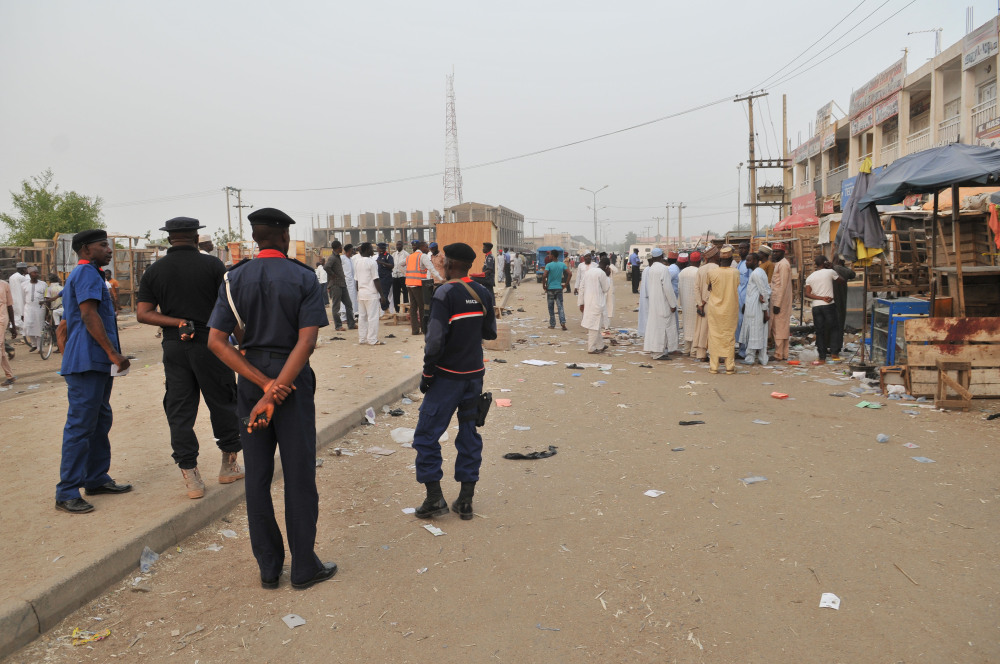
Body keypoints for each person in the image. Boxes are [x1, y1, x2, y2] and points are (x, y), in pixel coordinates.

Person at [206, 207, 337, 590]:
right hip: (292, 381)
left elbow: (216, 341)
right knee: (299, 475)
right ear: (283, 238)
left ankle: (268, 567)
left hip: (250, 381)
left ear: (255, 238)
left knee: (257, 477)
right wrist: (278, 386)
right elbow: (307, 340)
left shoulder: (233, 278)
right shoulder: (303, 277)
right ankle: (303, 568)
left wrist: (263, 386)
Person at [137, 216, 244, 500]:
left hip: (175, 346)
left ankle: (191, 476)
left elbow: (143, 314)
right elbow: (229, 310)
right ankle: (228, 465)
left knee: (180, 409)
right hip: (212, 343)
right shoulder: (212, 266)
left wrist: (176, 321)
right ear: (196, 238)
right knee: (223, 401)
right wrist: (245, 347)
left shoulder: (154, 271)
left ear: (169, 239)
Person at [412, 242, 497, 521]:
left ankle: (434, 498)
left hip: (448, 377)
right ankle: (465, 500)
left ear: (449, 264)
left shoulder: (444, 293)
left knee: (426, 436)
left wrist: (427, 373)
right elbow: (490, 333)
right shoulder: (483, 292)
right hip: (474, 376)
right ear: (469, 265)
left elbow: (434, 341)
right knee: (469, 434)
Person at [56, 229, 132, 514]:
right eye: (104, 245)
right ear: (86, 249)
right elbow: (88, 315)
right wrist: (113, 353)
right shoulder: (87, 273)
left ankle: (96, 478)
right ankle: (66, 492)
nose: (109, 250)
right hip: (88, 361)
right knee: (81, 426)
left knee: (100, 420)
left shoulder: (89, 274)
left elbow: (65, 324)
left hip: (94, 361)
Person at [705, 245, 741, 374]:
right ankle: (729, 366)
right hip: (730, 308)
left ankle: (714, 366)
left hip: (715, 308)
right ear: (731, 258)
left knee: (714, 335)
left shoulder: (712, 272)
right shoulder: (735, 272)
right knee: (729, 335)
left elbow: (709, 286)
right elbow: (737, 284)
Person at [805, 255, 844, 364]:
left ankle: (822, 357)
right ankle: (834, 353)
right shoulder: (830, 272)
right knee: (834, 328)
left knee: (820, 331)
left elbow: (807, 293)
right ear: (825, 262)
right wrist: (833, 267)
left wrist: (820, 297)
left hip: (816, 306)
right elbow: (842, 281)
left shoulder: (810, 277)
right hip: (829, 305)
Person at [642, 249, 678, 361]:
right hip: (663, 303)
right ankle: (658, 353)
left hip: (654, 302)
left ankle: (655, 351)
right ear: (662, 256)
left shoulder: (651, 268)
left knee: (655, 327)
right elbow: (667, 288)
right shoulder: (663, 269)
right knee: (662, 328)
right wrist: (673, 304)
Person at [740, 252, 771, 366]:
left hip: (756, 308)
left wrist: (765, 311)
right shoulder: (758, 272)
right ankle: (762, 358)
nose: (747, 262)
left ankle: (750, 358)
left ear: (755, 261)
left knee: (754, 332)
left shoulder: (756, 273)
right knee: (757, 332)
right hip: (752, 306)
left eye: (749, 260)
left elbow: (764, 293)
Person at [354, 242, 386, 345]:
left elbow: (356, 281)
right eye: (372, 249)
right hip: (371, 294)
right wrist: (382, 295)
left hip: (361, 293)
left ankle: (362, 339)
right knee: (372, 317)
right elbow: (376, 280)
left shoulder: (357, 262)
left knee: (362, 317)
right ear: (367, 250)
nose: (373, 251)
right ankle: (372, 339)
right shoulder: (372, 262)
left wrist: (359, 293)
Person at [692, 247, 720, 361]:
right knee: (713, 330)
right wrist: (704, 301)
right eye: (718, 254)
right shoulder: (718, 269)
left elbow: (696, 288)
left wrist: (699, 303)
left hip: (702, 305)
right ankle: (714, 354)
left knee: (702, 329)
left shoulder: (701, 269)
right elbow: (713, 288)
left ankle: (701, 355)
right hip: (713, 303)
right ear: (714, 256)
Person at [579, 256, 611, 353]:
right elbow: (606, 288)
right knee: (594, 326)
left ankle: (600, 345)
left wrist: (581, 302)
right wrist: (608, 276)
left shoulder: (589, 271)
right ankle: (591, 348)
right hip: (597, 302)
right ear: (607, 266)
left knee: (596, 324)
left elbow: (582, 286)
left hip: (589, 301)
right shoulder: (602, 273)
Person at [324, 240, 354, 331]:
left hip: (342, 284)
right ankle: (338, 326)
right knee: (336, 307)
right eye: (341, 246)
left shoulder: (338, 257)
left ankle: (351, 324)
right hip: (335, 285)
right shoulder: (332, 258)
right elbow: (326, 267)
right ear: (338, 247)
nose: (342, 248)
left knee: (349, 304)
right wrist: (332, 274)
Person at [770, 243, 793, 361]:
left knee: (779, 327)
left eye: (777, 252)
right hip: (778, 297)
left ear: (783, 253)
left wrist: (777, 304)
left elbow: (783, 285)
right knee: (781, 327)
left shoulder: (783, 265)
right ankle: (783, 354)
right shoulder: (779, 264)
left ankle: (779, 354)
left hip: (781, 300)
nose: (774, 254)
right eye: (773, 251)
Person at [831, 256, 856, 359]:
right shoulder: (839, 269)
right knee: (839, 325)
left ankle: (828, 347)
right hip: (839, 301)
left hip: (828, 301)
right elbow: (852, 274)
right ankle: (835, 349)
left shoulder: (828, 270)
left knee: (829, 325)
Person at [677, 252, 700, 355]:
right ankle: (693, 351)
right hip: (695, 303)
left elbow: (679, 288)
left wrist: (680, 303)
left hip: (685, 303)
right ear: (699, 261)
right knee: (695, 327)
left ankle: (686, 349)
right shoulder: (699, 272)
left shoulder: (682, 272)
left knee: (687, 325)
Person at [406, 240, 430, 335]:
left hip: (409, 284)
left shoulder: (409, 256)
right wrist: (440, 278)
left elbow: (400, 264)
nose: (427, 248)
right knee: (422, 307)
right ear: (422, 247)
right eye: (426, 247)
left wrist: (406, 274)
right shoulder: (422, 256)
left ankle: (415, 330)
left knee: (413, 307)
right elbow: (431, 268)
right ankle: (424, 329)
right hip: (418, 284)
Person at [543, 249, 569, 330]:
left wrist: (544, 285)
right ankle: (563, 323)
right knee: (560, 306)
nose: (549, 256)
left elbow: (544, 275)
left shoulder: (549, 265)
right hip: (559, 288)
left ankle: (552, 324)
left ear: (553, 256)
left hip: (550, 288)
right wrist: (566, 284)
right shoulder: (562, 264)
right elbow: (570, 273)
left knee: (551, 307)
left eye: (550, 254)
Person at [21, 267, 46, 352]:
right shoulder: (24, 285)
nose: (36, 274)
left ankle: (40, 347)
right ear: (30, 274)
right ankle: (34, 344)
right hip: (28, 308)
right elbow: (23, 298)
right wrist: (22, 313)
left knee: (39, 327)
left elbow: (46, 297)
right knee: (27, 326)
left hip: (39, 308)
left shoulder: (43, 284)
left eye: (37, 272)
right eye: (34, 273)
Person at [735, 243, 750, 357]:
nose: (741, 250)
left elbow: (750, 283)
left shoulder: (749, 264)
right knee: (739, 324)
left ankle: (744, 351)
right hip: (738, 298)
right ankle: (741, 349)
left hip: (746, 298)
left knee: (745, 325)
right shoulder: (739, 264)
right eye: (740, 248)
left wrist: (747, 302)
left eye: (744, 248)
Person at [0, 278, 16, 386]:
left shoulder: (4, 285)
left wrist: (13, 325)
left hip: (2, 319)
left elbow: (10, 306)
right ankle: (10, 376)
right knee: (2, 349)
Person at [375, 242, 394, 315]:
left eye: (378, 248)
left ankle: (386, 311)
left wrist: (381, 263)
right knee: (382, 295)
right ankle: (386, 310)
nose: (377, 249)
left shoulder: (388, 256)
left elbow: (392, 265)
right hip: (380, 278)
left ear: (381, 249)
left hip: (386, 278)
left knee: (384, 295)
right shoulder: (379, 256)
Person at [8, 262, 27, 334]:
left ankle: (12, 326)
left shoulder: (12, 277)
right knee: (21, 313)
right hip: (20, 297)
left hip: (13, 298)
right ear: (22, 269)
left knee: (15, 313)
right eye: (25, 269)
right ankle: (22, 331)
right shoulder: (22, 278)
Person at [391, 240, 409, 313]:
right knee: (396, 293)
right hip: (395, 276)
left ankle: (406, 310)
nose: (398, 246)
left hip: (403, 276)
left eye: (399, 245)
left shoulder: (406, 254)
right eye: (397, 245)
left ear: (402, 245)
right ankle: (397, 310)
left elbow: (408, 265)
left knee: (405, 293)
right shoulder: (394, 254)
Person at [342, 244, 359, 317]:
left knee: (353, 299)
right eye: (352, 249)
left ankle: (352, 315)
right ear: (349, 250)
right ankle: (343, 317)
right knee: (344, 300)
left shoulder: (351, 259)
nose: (353, 251)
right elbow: (337, 268)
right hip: (345, 282)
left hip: (352, 282)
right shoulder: (342, 258)